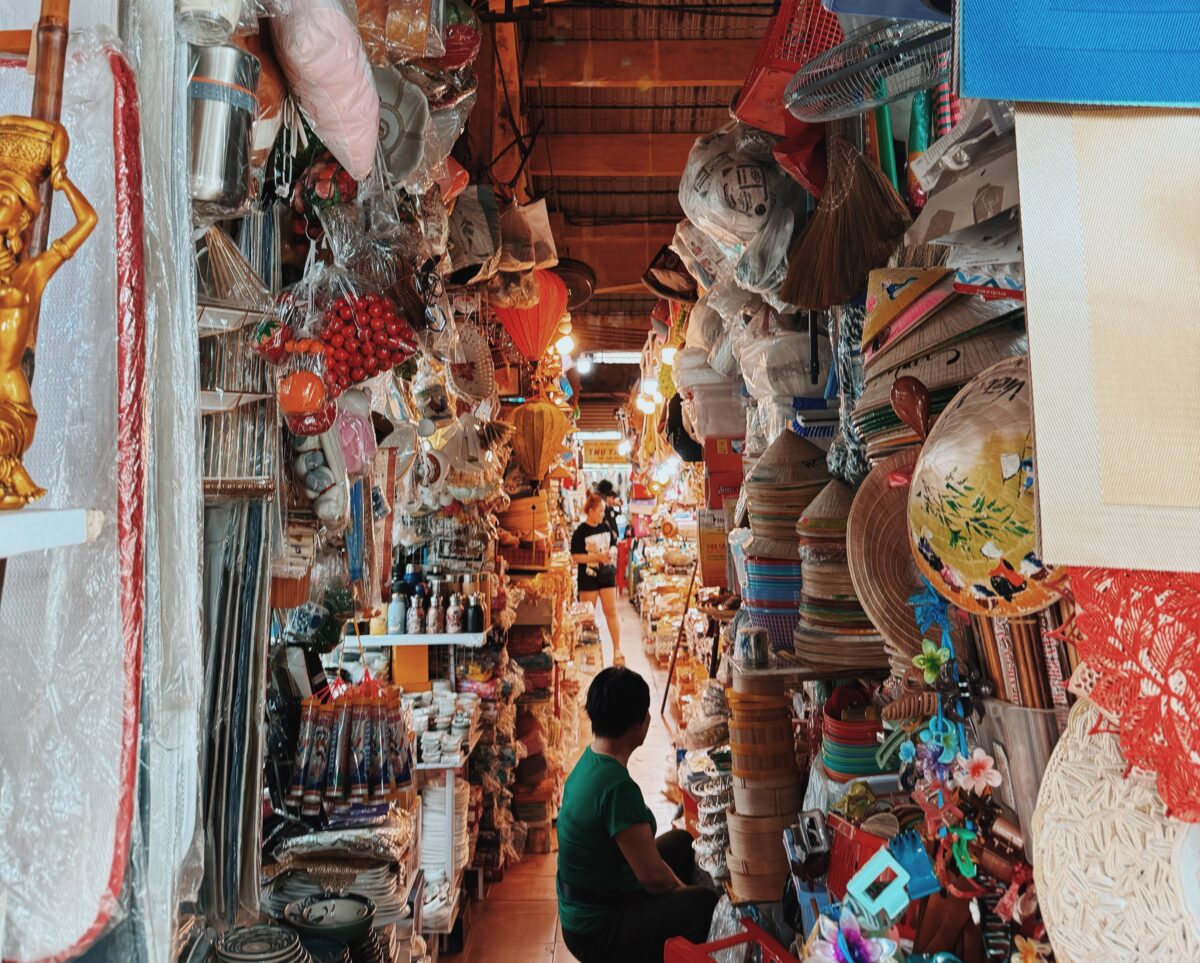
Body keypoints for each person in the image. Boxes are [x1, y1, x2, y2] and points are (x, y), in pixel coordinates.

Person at [557, 668, 719, 963]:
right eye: (645, 713)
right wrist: (685, 893)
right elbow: (653, 878)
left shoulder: (590, 761)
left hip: (588, 903)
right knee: (704, 906)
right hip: (596, 929)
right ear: (636, 724)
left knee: (681, 842)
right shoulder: (617, 787)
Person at [572, 491, 623, 666]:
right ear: (591, 511)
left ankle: (617, 650)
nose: (603, 514)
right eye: (600, 511)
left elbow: (614, 545)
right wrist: (596, 558)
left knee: (611, 611)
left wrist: (612, 552)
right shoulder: (580, 532)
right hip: (588, 577)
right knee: (588, 617)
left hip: (607, 574)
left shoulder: (605, 527)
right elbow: (576, 557)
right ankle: (588, 654)